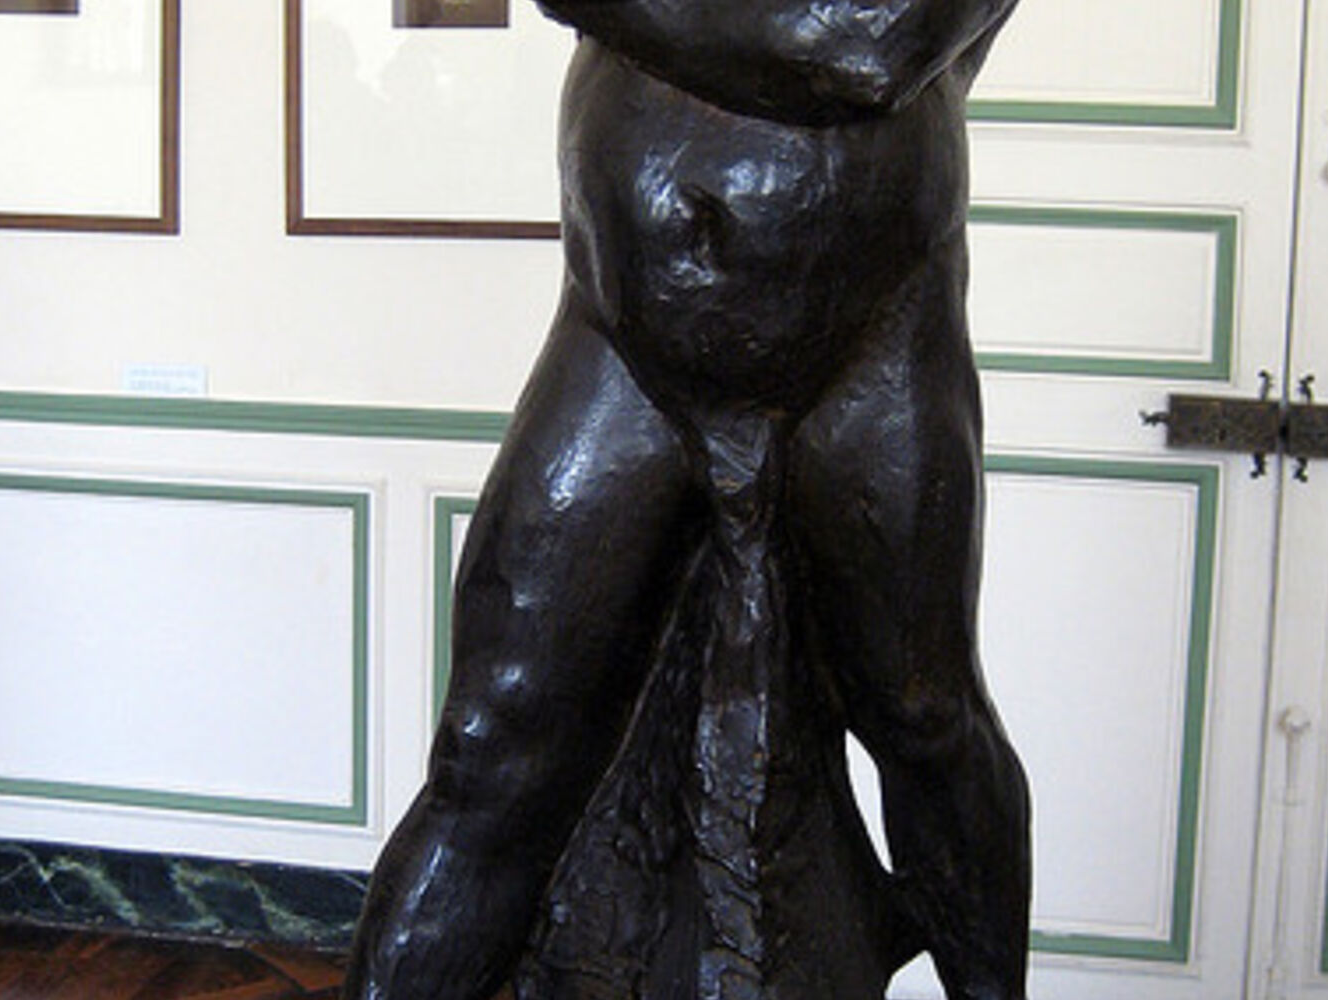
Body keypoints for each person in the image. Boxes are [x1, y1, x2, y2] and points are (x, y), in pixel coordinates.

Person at [345, 1, 1030, 997]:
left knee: (925, 719)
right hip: (623, 343)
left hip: (868, 357)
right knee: (493, 738)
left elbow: (861, 42)